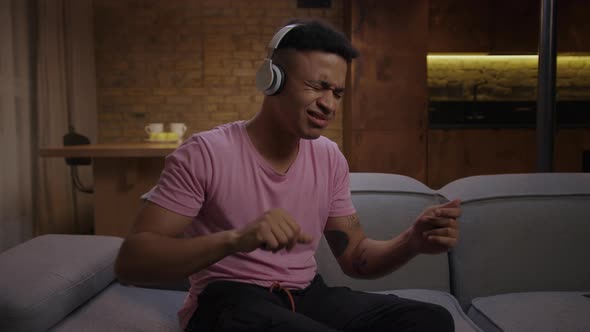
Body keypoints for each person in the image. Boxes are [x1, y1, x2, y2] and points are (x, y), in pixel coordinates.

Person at [115, 18, 461, 332]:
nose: (329, 104)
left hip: (307, 294)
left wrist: (411, 242)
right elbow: (133, 262)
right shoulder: (205, 153)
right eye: (317, 86)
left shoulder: (328, 157)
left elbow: (355, 257)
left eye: (337, 92)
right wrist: (235, 239)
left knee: (430, 321)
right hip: (229, 300)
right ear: (272, 80)